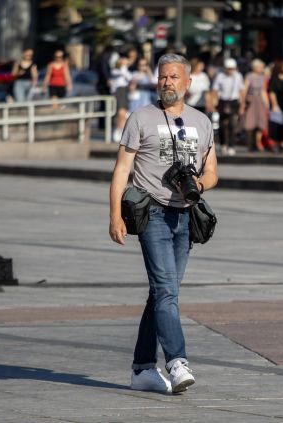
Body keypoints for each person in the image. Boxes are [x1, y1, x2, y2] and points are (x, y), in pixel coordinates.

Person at [109, 53, 218, 395]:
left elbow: (212, 172)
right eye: (162, 76)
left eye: (174, 77)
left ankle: (142, 369)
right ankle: (177, 361)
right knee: (167, 291)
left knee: (161, 293)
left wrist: (198, 184)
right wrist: (114, 214)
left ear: (188, 82)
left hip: (185, 216)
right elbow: (122, 170)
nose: (167, 82)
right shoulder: (141, 118)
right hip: (152, 212)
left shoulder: (202, 122)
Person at [211, 58, 244, 156]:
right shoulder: (220, 76)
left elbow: (241, 91)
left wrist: (242, 105)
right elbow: (215, 90)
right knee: (222, 124)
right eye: (228, 69)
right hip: (222, 101)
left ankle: (231, 145)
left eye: (232, 69)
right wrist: (214, 102)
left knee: (232, 124)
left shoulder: (238, 76)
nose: (230, 71)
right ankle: (223, 144)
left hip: (233, 101)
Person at [241, 58, 269, 152]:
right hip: (251, 100)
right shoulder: (249, 76)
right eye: (261, 67)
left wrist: (267, 104)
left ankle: (258, 142)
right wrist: (243, 103)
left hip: (260, 101)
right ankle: (250, 144)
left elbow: (263, 91)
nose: (262, 69)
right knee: (250, 123)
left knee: (261, 123)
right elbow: (244, 90)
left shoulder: (263, 77)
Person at [267, 59, 283, 152]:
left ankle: (282, 142)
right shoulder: (274, 78)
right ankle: (276, 144)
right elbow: (272, 92)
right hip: (277, 103)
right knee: (276, 124)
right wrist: (274, 104)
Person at [110, 56, 133, 142]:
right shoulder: (116, 71)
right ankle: (118, 130)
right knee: (120, 113)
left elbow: (129, 77)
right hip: (119, 91)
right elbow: (123, 73)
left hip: (124, 91)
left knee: (124, 113)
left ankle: (120, 130)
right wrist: (124, 65)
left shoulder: (125, 70)